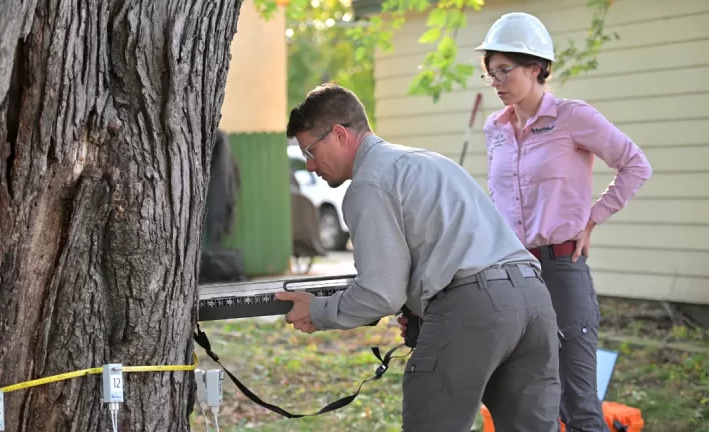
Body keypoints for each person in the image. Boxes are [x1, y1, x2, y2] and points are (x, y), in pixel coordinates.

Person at [276, 83, 562, 431]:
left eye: (310, 150)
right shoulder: (426, 161)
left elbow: (381, 293)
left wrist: (318, 310)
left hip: (474, 309)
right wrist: (421, 307)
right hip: (534, 301)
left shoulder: (369, 184)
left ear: (339, 134)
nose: (309, 165)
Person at [462, 11, 651, 432]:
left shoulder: (572, 117)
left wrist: (593, 219)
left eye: (503, 71)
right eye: (490, 73)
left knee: (579, 404)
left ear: (536, 68)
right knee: (522, 399)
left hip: (562, 270)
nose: (494, 81)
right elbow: (502, 201)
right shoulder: (495, 128)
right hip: (511, 274)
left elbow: (636, 164)